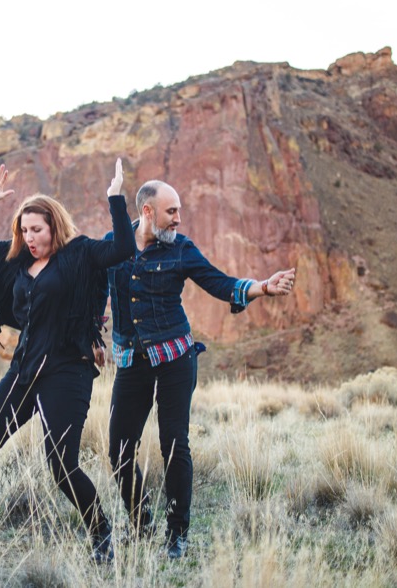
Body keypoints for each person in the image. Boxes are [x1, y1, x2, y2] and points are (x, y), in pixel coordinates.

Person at [102, 179, 296, 559]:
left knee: (174, 444)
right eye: (171, 211)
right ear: (147, 212)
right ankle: (141, 526)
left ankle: (177, 535)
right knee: (119, 449)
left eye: (179, 211)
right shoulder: (114, 244)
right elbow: (95, 286)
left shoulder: (182, 249)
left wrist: (261, 288)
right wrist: (92, 327)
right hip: (131, 361)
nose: (178, 219)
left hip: (175, 357)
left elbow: (217, 282)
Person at [0, 159, 134, 563]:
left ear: (54, 225)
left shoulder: (82, 253)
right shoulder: (18, 259)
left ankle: (101, 532)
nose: (29, 237)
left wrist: (116, 200)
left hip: (67, 371)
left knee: (61, 466)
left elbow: (123, 248)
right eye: (23, 230)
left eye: (36, 229)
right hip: (23, 371)